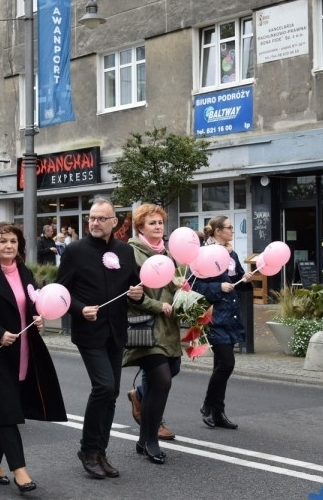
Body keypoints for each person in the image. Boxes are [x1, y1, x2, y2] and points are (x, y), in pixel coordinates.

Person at [0, 222, 66, 493]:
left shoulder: (24, 272)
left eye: (13, 242)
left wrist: (37, 318)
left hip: (22, 351)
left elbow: (29, 304)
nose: (8, 246)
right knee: (8, 410)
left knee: (4, 409)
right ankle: (20, 470)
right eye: (3, 241)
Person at [56, 197, 143, 479]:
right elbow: (60, 293)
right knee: (103, 387)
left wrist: (138, 294)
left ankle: (100, 452)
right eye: (92, 218)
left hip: (116, 330)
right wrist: (81, 309)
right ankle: (87, 449)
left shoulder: (125, 251)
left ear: (114, 222)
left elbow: (135, 286)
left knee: (113, 393)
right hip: (89, 332)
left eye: (101, 218)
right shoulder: (75, 251)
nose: (94, 223)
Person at [124, 205, 182, 462]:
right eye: (152, 223)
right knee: (162, 380)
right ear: (140, 228)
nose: (158, 227)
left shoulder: (170, 254)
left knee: (171, 371)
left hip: (169, 327)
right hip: (145, 325)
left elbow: (176, 285)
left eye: (160, 222)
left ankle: (142, 434)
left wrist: (186, 295)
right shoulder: (132, 253)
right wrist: (158, 305)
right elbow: (130, 294)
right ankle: (150, 440)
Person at [191, 215, 255, 430]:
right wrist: (218, 288)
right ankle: (208, 405)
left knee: (221, 365)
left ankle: (218, 412)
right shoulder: (203, 254)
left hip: (231, 315)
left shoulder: (232, 253)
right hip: (213, 315)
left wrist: (244, 280)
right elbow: (195, 287)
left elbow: (235, 280)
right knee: (226, 363)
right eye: (229, 228)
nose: (232, 232)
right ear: (218, 231)